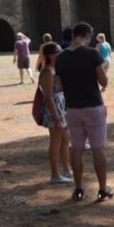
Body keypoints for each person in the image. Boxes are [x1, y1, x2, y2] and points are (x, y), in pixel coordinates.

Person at [55, 22, 114, 203]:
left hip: (73, 108)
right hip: (93, 106)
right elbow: (103, 82)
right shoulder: (92, 54)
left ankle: (78, 190)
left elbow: (59, 86)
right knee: (97, 148)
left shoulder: (61, 58)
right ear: (87, 36)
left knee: (77, 149)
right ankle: (102, 190)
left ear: (73, 36)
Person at [38, 42, 73, 184]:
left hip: (61, 107)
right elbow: (48, 97)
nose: (61, 53)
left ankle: (66, 170)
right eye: (58, 51)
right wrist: (57, 118)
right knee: (55, 142)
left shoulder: (54, 68)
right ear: (51, 55)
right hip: (53, 110)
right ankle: (55, 175)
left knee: (65, 139)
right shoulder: (47, 71)